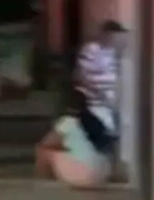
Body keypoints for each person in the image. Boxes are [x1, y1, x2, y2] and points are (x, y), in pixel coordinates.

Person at [72, 20, 126, 161]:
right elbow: (81, 75)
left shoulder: (114, 53)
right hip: (95, 102)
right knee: (103, 135)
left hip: (110, 102)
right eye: (114, 36)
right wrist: (96, 93)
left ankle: (111, 166)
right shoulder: (91, 50)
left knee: (114, 134)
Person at [35, 113, 110, 188]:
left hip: (84, 175)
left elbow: (47, 142)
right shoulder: (99, 121)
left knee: (44, 150)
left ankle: (43, 182)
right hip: (103, 176)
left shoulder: (68, 121)